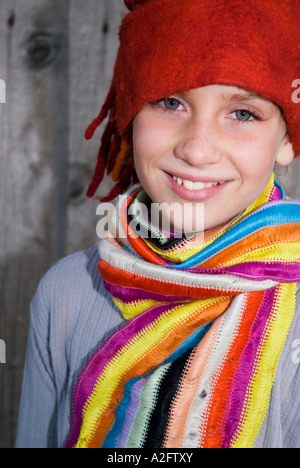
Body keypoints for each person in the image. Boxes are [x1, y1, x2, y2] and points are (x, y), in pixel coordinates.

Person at [16, 0, 300, 448]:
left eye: (242, 113)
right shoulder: (67, 292)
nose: (198, 150)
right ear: (130, 117)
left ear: (286, 139)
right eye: (170, 103)